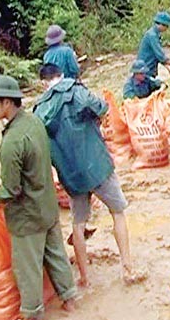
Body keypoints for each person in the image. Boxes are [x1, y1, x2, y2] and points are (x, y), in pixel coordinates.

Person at [0, 75, 77, 320]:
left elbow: (10, 190)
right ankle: (70, 300)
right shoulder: (34, 122)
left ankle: (33, 316)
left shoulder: (12, 141)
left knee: (27, 266)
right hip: (47, 206)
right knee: (56, 256)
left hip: (27, 217)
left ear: (7, 103)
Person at [34, 64, 141, 287]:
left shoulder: (39, 110)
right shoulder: (77, 90)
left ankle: (84, 278)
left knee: (78, 223)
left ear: (43, 83)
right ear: (61, 76)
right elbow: (101, 108)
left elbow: (38, 146)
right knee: (118, 211)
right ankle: (128, 269)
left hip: (71, 176)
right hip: (97, 165)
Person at [137, 11, 170, 80]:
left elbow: (157, 56)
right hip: (145, 70)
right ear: (162, 25)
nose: (167, 29)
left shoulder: (155, 34)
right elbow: (160, 55)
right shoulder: (152, 36)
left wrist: (168, 67)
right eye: (166, 26)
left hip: (148, 69)